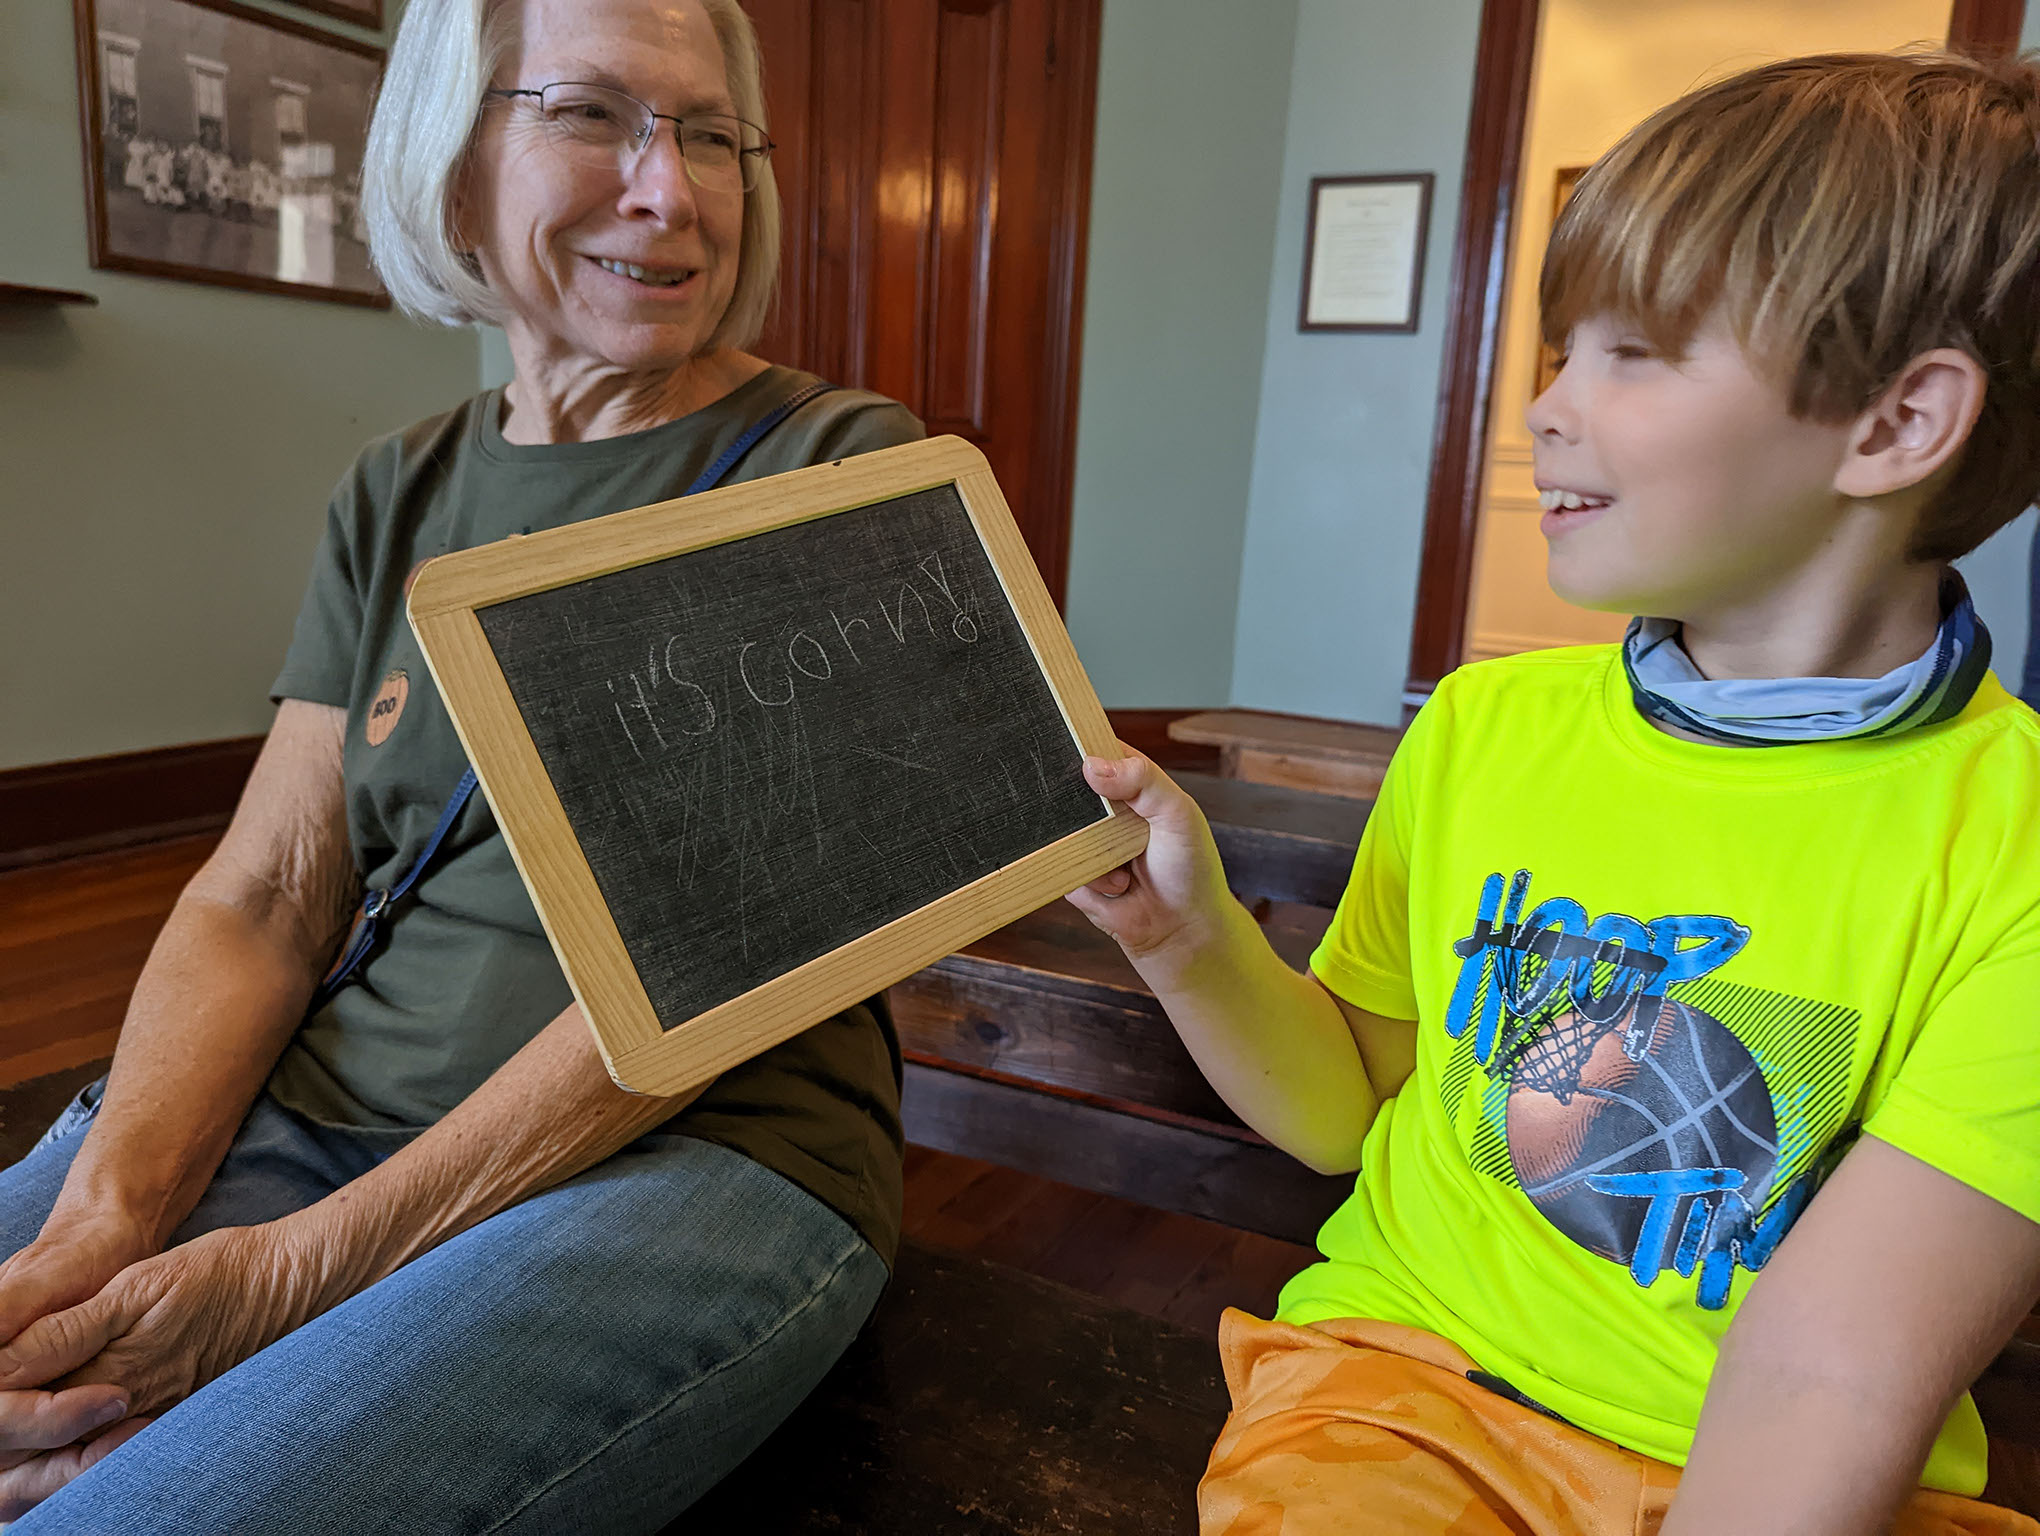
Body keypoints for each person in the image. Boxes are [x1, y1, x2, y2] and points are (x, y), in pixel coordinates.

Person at [1070, 50, 2040, 1536]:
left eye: (1634, 354)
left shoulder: (2011, 835)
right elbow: (1346, 1114)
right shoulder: (1483, 725)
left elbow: (1835, 1380)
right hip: (1403, 1399)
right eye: (1560, 346)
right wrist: (1183, 942)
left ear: (1896, 425)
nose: (1546, 406)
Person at [0, 0, 918, 1529]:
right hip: (319, 1107)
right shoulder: (401, 482)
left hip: (687, 1161)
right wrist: (110, 1217)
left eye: (711, 135)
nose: (670, 191)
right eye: (596, 115)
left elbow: (711, 980)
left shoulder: (841, 467)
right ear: (452, 157)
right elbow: (269, 896)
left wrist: (287, 1278)